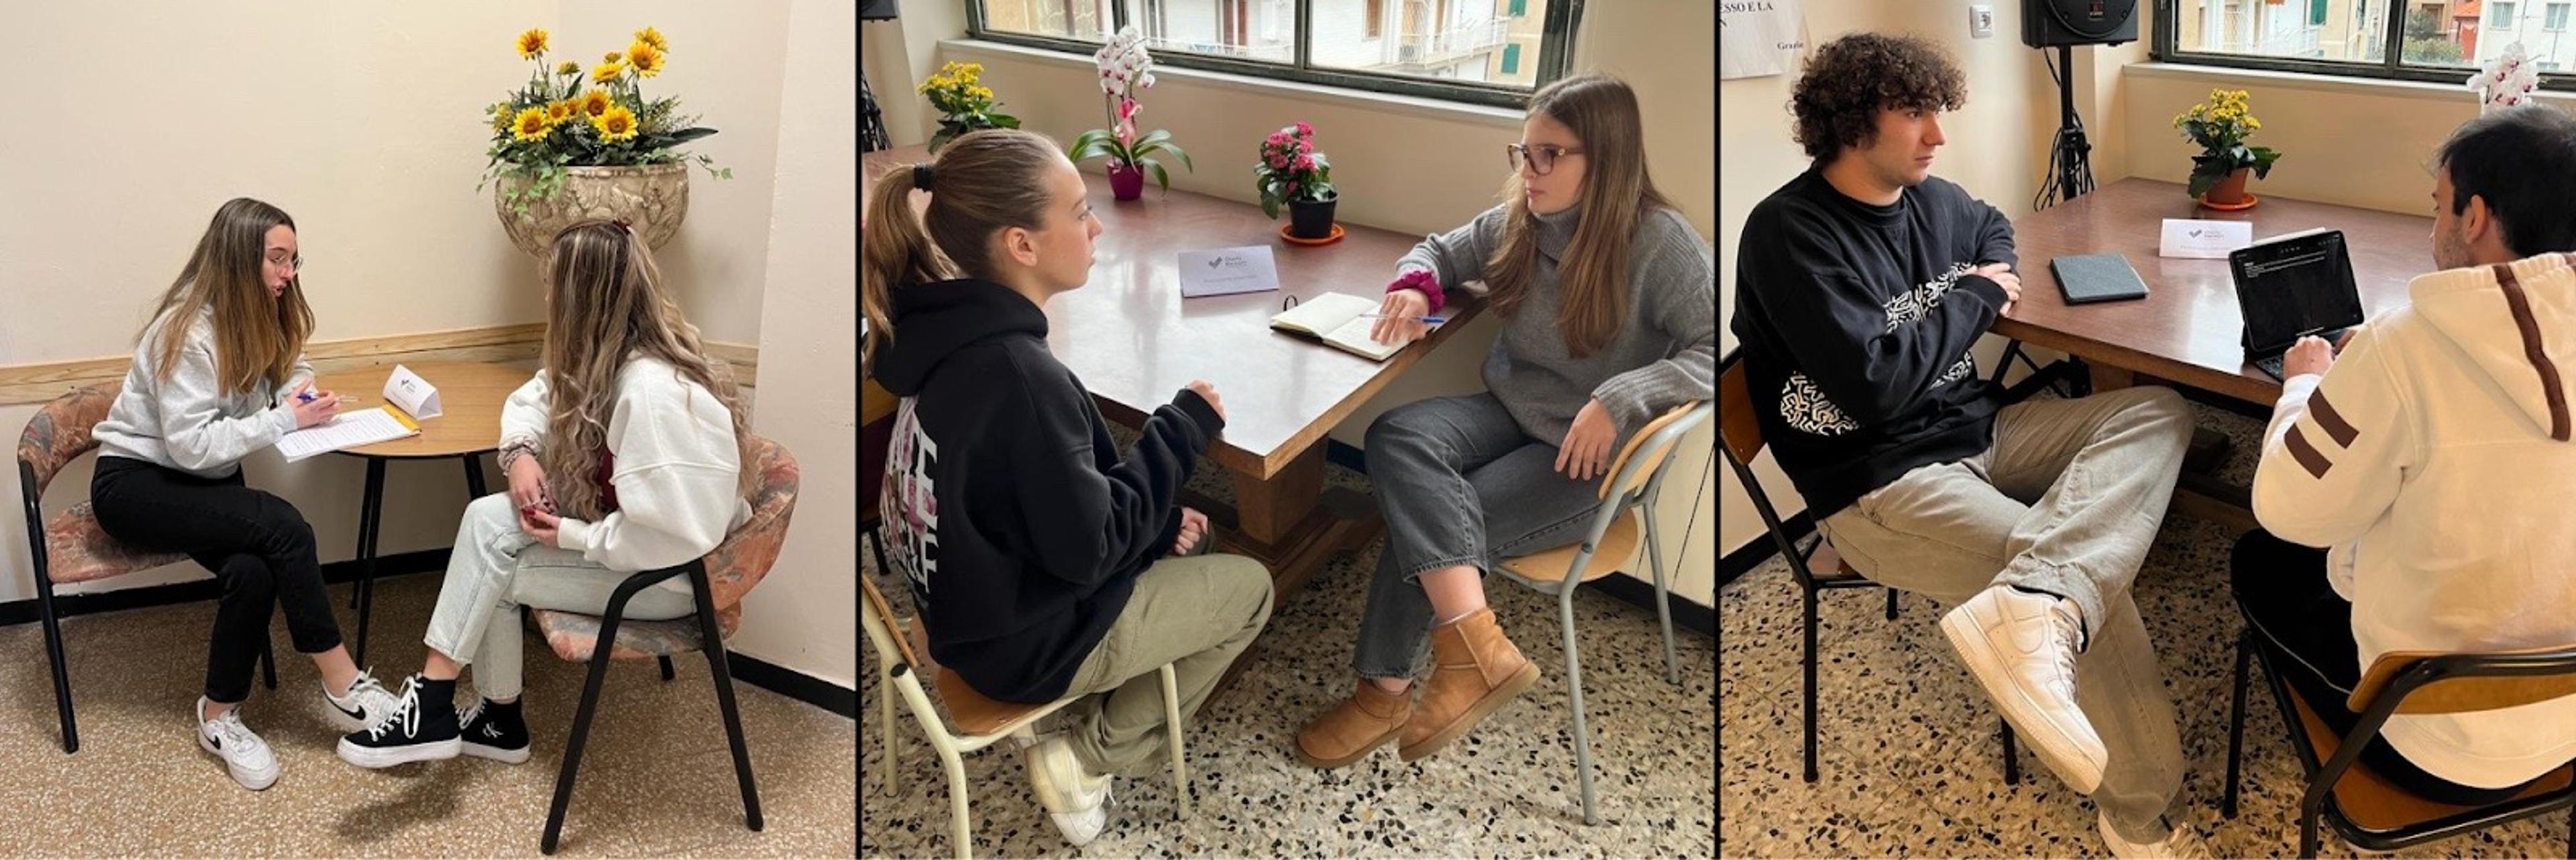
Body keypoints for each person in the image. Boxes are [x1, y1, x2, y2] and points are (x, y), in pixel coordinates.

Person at [1729, 34, 2204, 856]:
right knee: (2093, 591)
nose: (1936, 135)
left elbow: (1992, 226)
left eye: (1937, 113)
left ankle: (2040, 593)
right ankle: (2145, 820)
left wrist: (1986, 267)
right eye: (1915, 114)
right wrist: (1979, 297)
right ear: (1850, 121)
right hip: (1877, 480)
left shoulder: (1935, 201)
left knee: (2159, 411)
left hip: (1980, 430)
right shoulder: (1787, 234)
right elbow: (1873, 388)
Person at [863, 128, 1275, 847]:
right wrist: (1181, 430)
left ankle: (1114, 692)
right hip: (1022, 644)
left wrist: (1146, 522)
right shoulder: (1019, 376)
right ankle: (1085, 758)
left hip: (962, 608)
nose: (1095, 227)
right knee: (1252, 588)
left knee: (1181, 527)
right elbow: (1088, 550)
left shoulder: (937, 339)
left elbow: (1036, 500)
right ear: (1021, 244)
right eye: (1079, 211)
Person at [1292, 72, 1716, 771]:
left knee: (1425, 532)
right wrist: (1411, 283)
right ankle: (1476, 648)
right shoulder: (1522, 216)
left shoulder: (1659, 241)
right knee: (1397, 436)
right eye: (1523, 151)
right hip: (1512, 413)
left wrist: (1622, 396)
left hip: (1587, 459)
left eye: (1550, 154)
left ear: (1604, 159)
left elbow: (1719, 348)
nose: (1530, 169)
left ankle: (1383, 694)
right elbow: (1436, 249)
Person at [2236, 103, 2576, 808]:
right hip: (2567, 723)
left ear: (2474, 216)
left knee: (2259, 555)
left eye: (2437, 209)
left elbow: (2285, 506)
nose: (2434, 230)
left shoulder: (2405, 345)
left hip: (2428, 740)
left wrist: (2308, 381)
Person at [337, 219, 755, 771]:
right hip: (643, 551)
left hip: (674, 579)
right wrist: (523, 454)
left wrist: (574, 534)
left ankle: (458, 711)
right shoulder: (605, 358)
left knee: (491, 574)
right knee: (486, 519)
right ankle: (474, 714)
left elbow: (674, 537)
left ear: (580, 297)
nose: (546, 296)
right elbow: (533, 396)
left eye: (553, 284)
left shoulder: (651, 393)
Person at [90, 197, 402, 790]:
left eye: (293, 259)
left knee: (254, 572)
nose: (289, 274)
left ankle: (218, 716)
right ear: (238, 259)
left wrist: (301, 392)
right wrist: (286, 419)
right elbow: (190, 447)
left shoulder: (260, 311)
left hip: (203, 481)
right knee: (284, 525)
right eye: (277, 260)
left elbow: (292, 366)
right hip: (136, 483)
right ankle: (344, 686)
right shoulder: (182, 333)